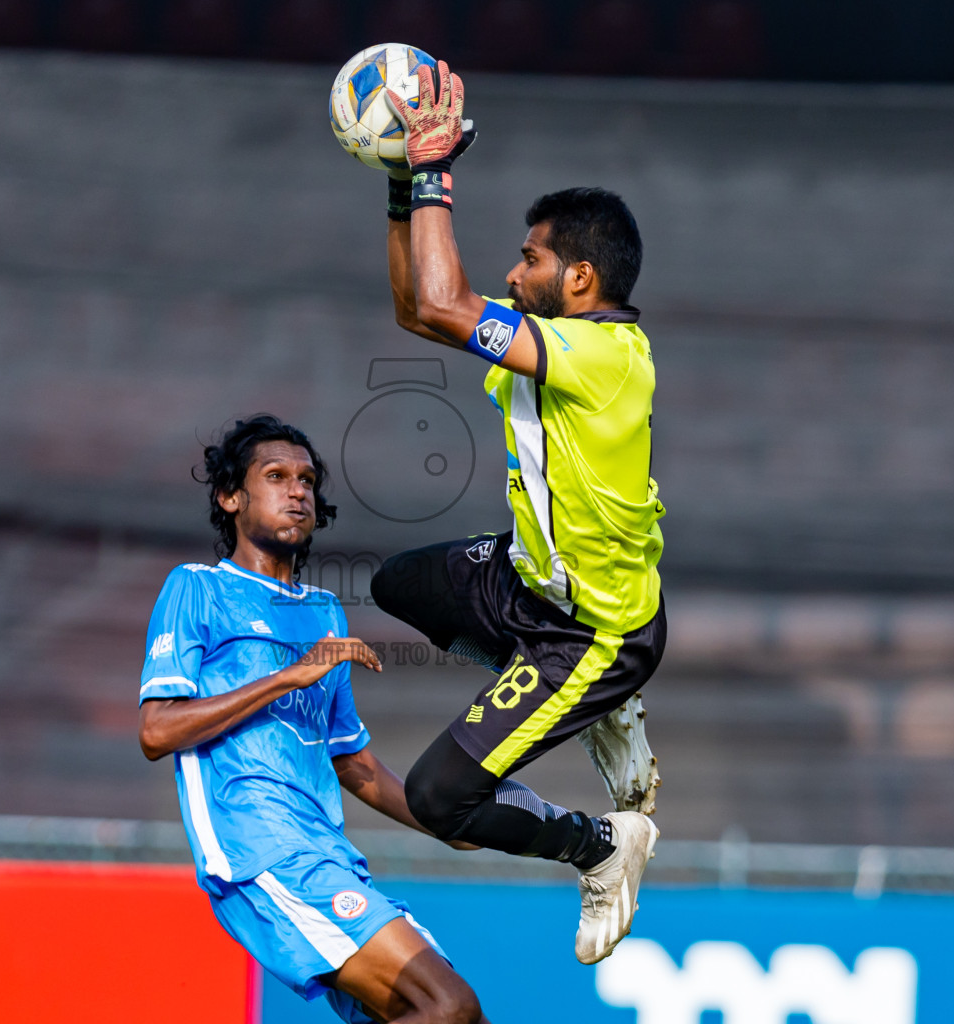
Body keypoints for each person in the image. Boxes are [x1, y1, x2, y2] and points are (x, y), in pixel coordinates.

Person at [369, 63, 667, 966]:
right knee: (396, 583)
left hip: (589, 633)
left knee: (435, 798)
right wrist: (398, 183)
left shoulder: (607, 353)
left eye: (530, 257)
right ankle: (600, 718)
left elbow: (444, 300)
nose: (513, 269)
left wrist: (432, 176)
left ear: (580, 276)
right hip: (523, 583)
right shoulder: (556, 345)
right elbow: (420, 313)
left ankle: (601, 846)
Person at [138, 414, 489, 1024]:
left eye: (306, 479)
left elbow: (352, 763)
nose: (297, 490)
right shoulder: (196, 588)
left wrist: (444, 822)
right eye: (275, 476)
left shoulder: (326, 613)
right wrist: (287, 676)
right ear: (230, 497)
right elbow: (157, 730)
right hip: (261, 850)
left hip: (326, 851)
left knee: (461, 1021)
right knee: (447, 1004)